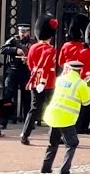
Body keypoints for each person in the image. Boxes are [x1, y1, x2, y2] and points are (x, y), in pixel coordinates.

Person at [41, 61, 90, 174]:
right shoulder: (81, 84)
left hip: (53, 115)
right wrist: (88, 86)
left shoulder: (60, 79)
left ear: (69, 69)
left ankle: (45, 168)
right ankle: (64, 170)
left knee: (52, 143)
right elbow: (86, 102)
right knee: (72, 144)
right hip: (67, 117)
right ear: (81, 70)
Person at [20, 13, 57, 145]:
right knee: (52, 107)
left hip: (35, 81)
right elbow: (48, 67)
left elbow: (30, 65)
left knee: (34, 108)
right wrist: (44, 80)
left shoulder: (33, 47)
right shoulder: (51, 50)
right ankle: (53, 136)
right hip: (47, 83)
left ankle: (25, 133)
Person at [0, 23, 35, 126]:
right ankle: (4, 120)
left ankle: (28, 122)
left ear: (29, 32)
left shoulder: (32, 42)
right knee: (8, 95)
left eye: (25, 32)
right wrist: (15, 50)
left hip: (26, 72)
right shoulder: (13, 40)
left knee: (27, 97)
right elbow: (3, 49)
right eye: (21, 31)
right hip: (13, 71)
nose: (23, 34)